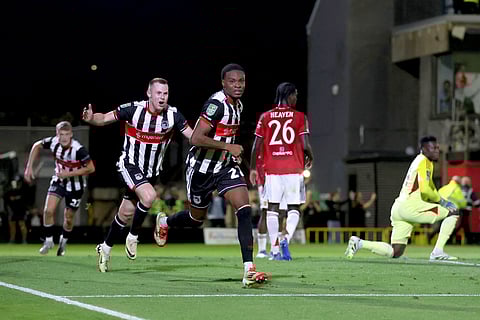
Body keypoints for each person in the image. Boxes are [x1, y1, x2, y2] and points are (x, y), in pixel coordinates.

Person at [154, 64, 269, 287]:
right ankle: (165, 221)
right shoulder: (216, 105)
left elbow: (226, 136)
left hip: (225, 168)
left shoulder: (239, 105)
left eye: (241, 81)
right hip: (201, 170)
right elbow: (195, 139)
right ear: (223, 83)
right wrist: (228, 148)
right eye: (232, 81)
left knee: (244, 211)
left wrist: (230, 151)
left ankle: (248, 270)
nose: (238, 85)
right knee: (196, 219)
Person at [82, 77, 193, 272]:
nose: (162, 97)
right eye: (158, 93)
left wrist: (215, 140)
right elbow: (105, 118)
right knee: (149, 197)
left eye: (165, 93)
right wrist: (92, 118)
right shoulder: (134, 109)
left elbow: (193, 136)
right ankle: (133, 236)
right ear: (149, 93)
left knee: (125, 213)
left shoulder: (174, 115)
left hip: (150, 173)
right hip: (129, 165)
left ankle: (105, 249)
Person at [345, 136, 461, 261]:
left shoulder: (422, 161)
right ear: (423, 149)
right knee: (453, 212)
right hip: (410, 206)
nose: (437, 150)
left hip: (399, 207)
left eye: (437, 148)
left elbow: (430, 186)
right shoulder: (423, 161)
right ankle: (437, 252)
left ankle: (359, 243)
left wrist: (439, 199)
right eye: (433, 148)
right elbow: (425, 190)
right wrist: (442, 201)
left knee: (396, 252)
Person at [249, 82, 313, 261]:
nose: (296, 98)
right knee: (294, 208)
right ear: (290, 94)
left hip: (272, 170)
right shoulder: (300, 117)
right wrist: (310, 157)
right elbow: (305, 145)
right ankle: (286, 238)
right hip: (293, 169)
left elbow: (256, 145)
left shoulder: (266, 117)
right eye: (296, 95)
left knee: (272, 209)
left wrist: (253, 168)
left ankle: (274, 250)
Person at [24, 121, 95, 256]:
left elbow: (91, 168)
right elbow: (36, 145)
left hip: (76, 185)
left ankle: (63, 241)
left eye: (67, 134)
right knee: (48, 211)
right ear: (57, 134)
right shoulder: (53, 142)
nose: (64, 137)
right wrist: (29, 167)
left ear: (71, 135)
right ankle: (49, 240)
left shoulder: (78, 149)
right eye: (61, 134)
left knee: (68, 218)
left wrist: (68, 173)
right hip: (59, 181)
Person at [427, 176, 467, 243]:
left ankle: (431, 235)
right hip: (453, 210)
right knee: (454, 226)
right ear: (458, 182)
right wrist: (463, 205)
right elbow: (462, 203)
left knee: (440, 225)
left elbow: (436, 197)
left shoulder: (444, 188)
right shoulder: (457, 189)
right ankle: (449, 241)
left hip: (441, 209)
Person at [4, 175, 28, 244]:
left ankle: (24, 240)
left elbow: (25, 201)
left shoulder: (23, 190)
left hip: (21, 210)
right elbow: (7, 202)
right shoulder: (9, 191)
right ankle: (12, 239)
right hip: (12, 211)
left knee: (22, 225)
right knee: (12, 226)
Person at [459, 176, 480, 243]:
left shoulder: (458, 189)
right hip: (466, 210)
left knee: (463, 225)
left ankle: (469, 239)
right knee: (463, 225)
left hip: (457, 209)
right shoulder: (469, 190)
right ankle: (469, 240)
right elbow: (476, 201)